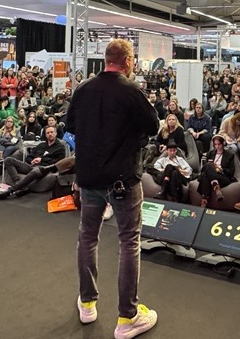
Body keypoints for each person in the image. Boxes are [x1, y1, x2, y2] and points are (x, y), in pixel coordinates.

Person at [66, 39, 159, 337]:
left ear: (105, 60)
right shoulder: (131, 91)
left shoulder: (83, 89)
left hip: (89, 177)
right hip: (123, 180)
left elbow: (71, 126)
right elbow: (153, 127)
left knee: (87, 237)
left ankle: (87, 303)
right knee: (129, 242)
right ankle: (127, 318)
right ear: (128, 61)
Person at [197, 134, 236, 207]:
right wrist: (213, 167)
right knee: (208, 167)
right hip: (211, 174)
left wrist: (222, 169)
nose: (217, 146)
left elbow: (231, 171)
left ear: (223, 144)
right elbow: (204, 168)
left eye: (219, 144)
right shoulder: (210, 153)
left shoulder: (229, 155)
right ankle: (216, 189)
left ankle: (204, 199)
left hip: (222, 176)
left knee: (206, 173)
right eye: (215, 144)